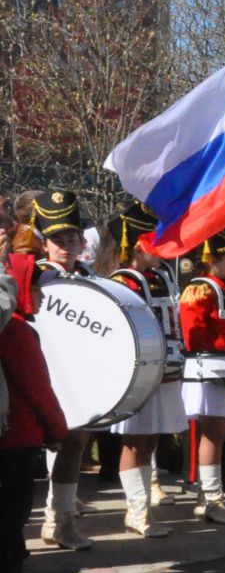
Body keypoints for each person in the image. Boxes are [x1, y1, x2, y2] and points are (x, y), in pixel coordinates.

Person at [104, 203, 187, 537]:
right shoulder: (121, 280)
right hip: (137, 370)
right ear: (137, 245)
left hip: (166, 366)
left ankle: (142, 508)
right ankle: (136, 511)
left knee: (152, 437)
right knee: (135, 440)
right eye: (155, 242)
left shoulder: (161, 277)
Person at [29, 191, 98, 549]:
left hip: (78, 374)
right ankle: (51, 521)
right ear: (44, 244)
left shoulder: (87, 274)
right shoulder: (38, 277)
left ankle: (60, 520)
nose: (66, 246)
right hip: (45, 373)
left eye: (71, 239)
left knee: (76, 443)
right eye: (58, 240)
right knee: (53, 445)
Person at [1, 258, 65, 573]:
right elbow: (37, 388)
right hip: (16, 436)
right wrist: (57, 428)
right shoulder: (16, 330)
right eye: (38, 289)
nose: (42, 297)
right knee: (12, 514)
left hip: (12, 434)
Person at [179, 233, 225, 524]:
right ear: (212, 260)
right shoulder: (199, 289)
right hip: (210, 372)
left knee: (220, 434)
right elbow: (194, 334)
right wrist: (222, 366)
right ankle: (211, 499)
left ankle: (206, 496)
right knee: (212, 433)